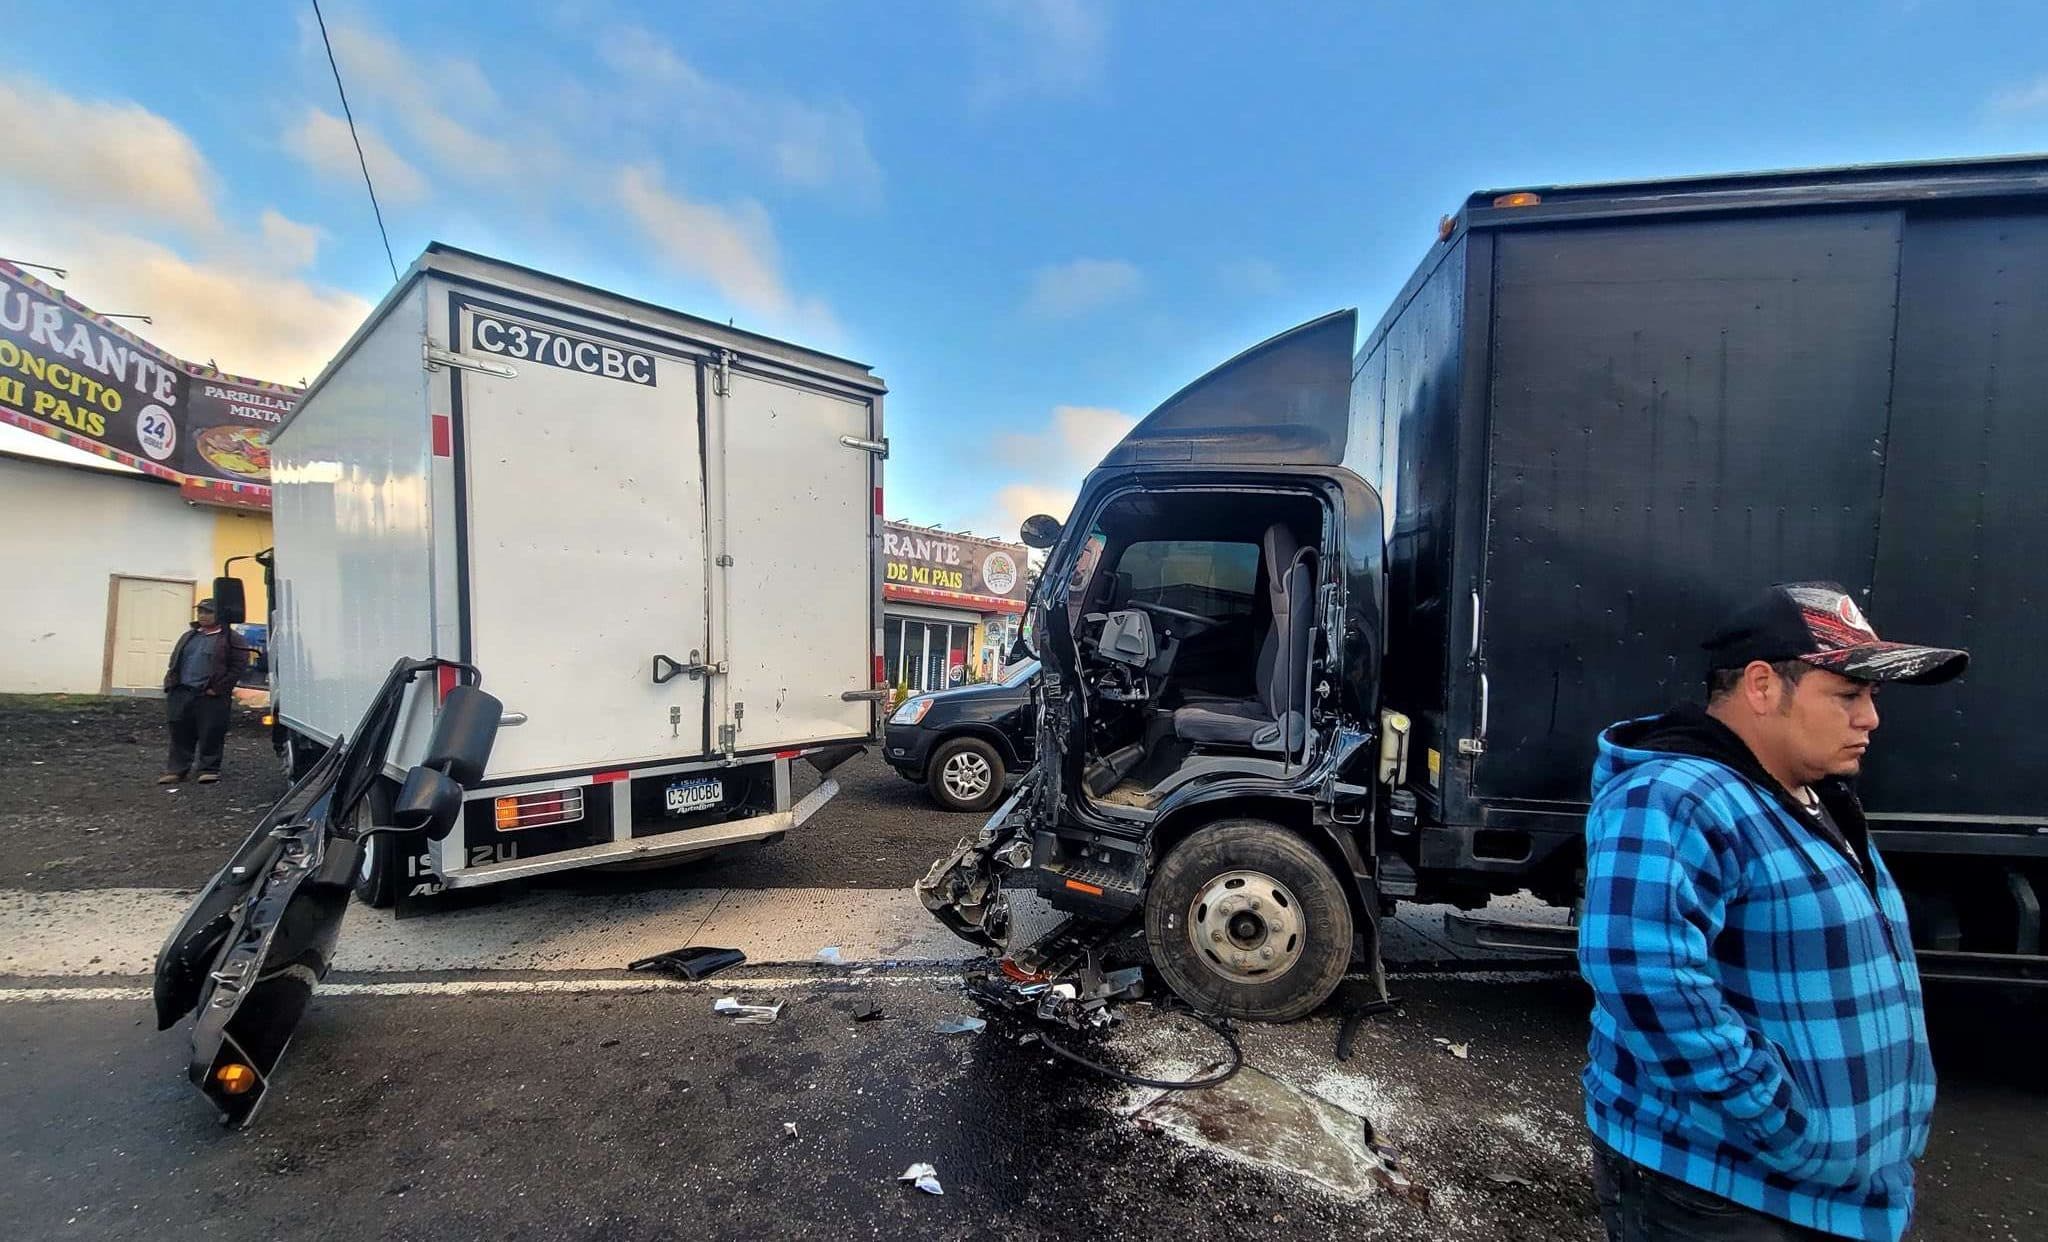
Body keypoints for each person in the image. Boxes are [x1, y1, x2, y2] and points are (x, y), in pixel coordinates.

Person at [1579, 582, 1968, 1242]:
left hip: (1823, 1188)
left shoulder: (1814, 796)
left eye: (1870, 697)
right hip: (1725, 1192)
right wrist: (1785, 1123)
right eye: (1848, 695)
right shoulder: (1674, 795)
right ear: (1762, 686)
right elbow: (1641, 972)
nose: (1870, 718)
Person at [159, 598, 251, 786]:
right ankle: (177, 770)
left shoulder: (231, 638)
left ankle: (208, 769)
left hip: (210, 695)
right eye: (200, 611)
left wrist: (218, 688)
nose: (202, 615)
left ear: (220, 615)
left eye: (208, 612)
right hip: (183, 691)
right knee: (180, 731)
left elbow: (238, 666)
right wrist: (171, 684)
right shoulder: (189, 636)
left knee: (211, 732)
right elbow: (175, 661)